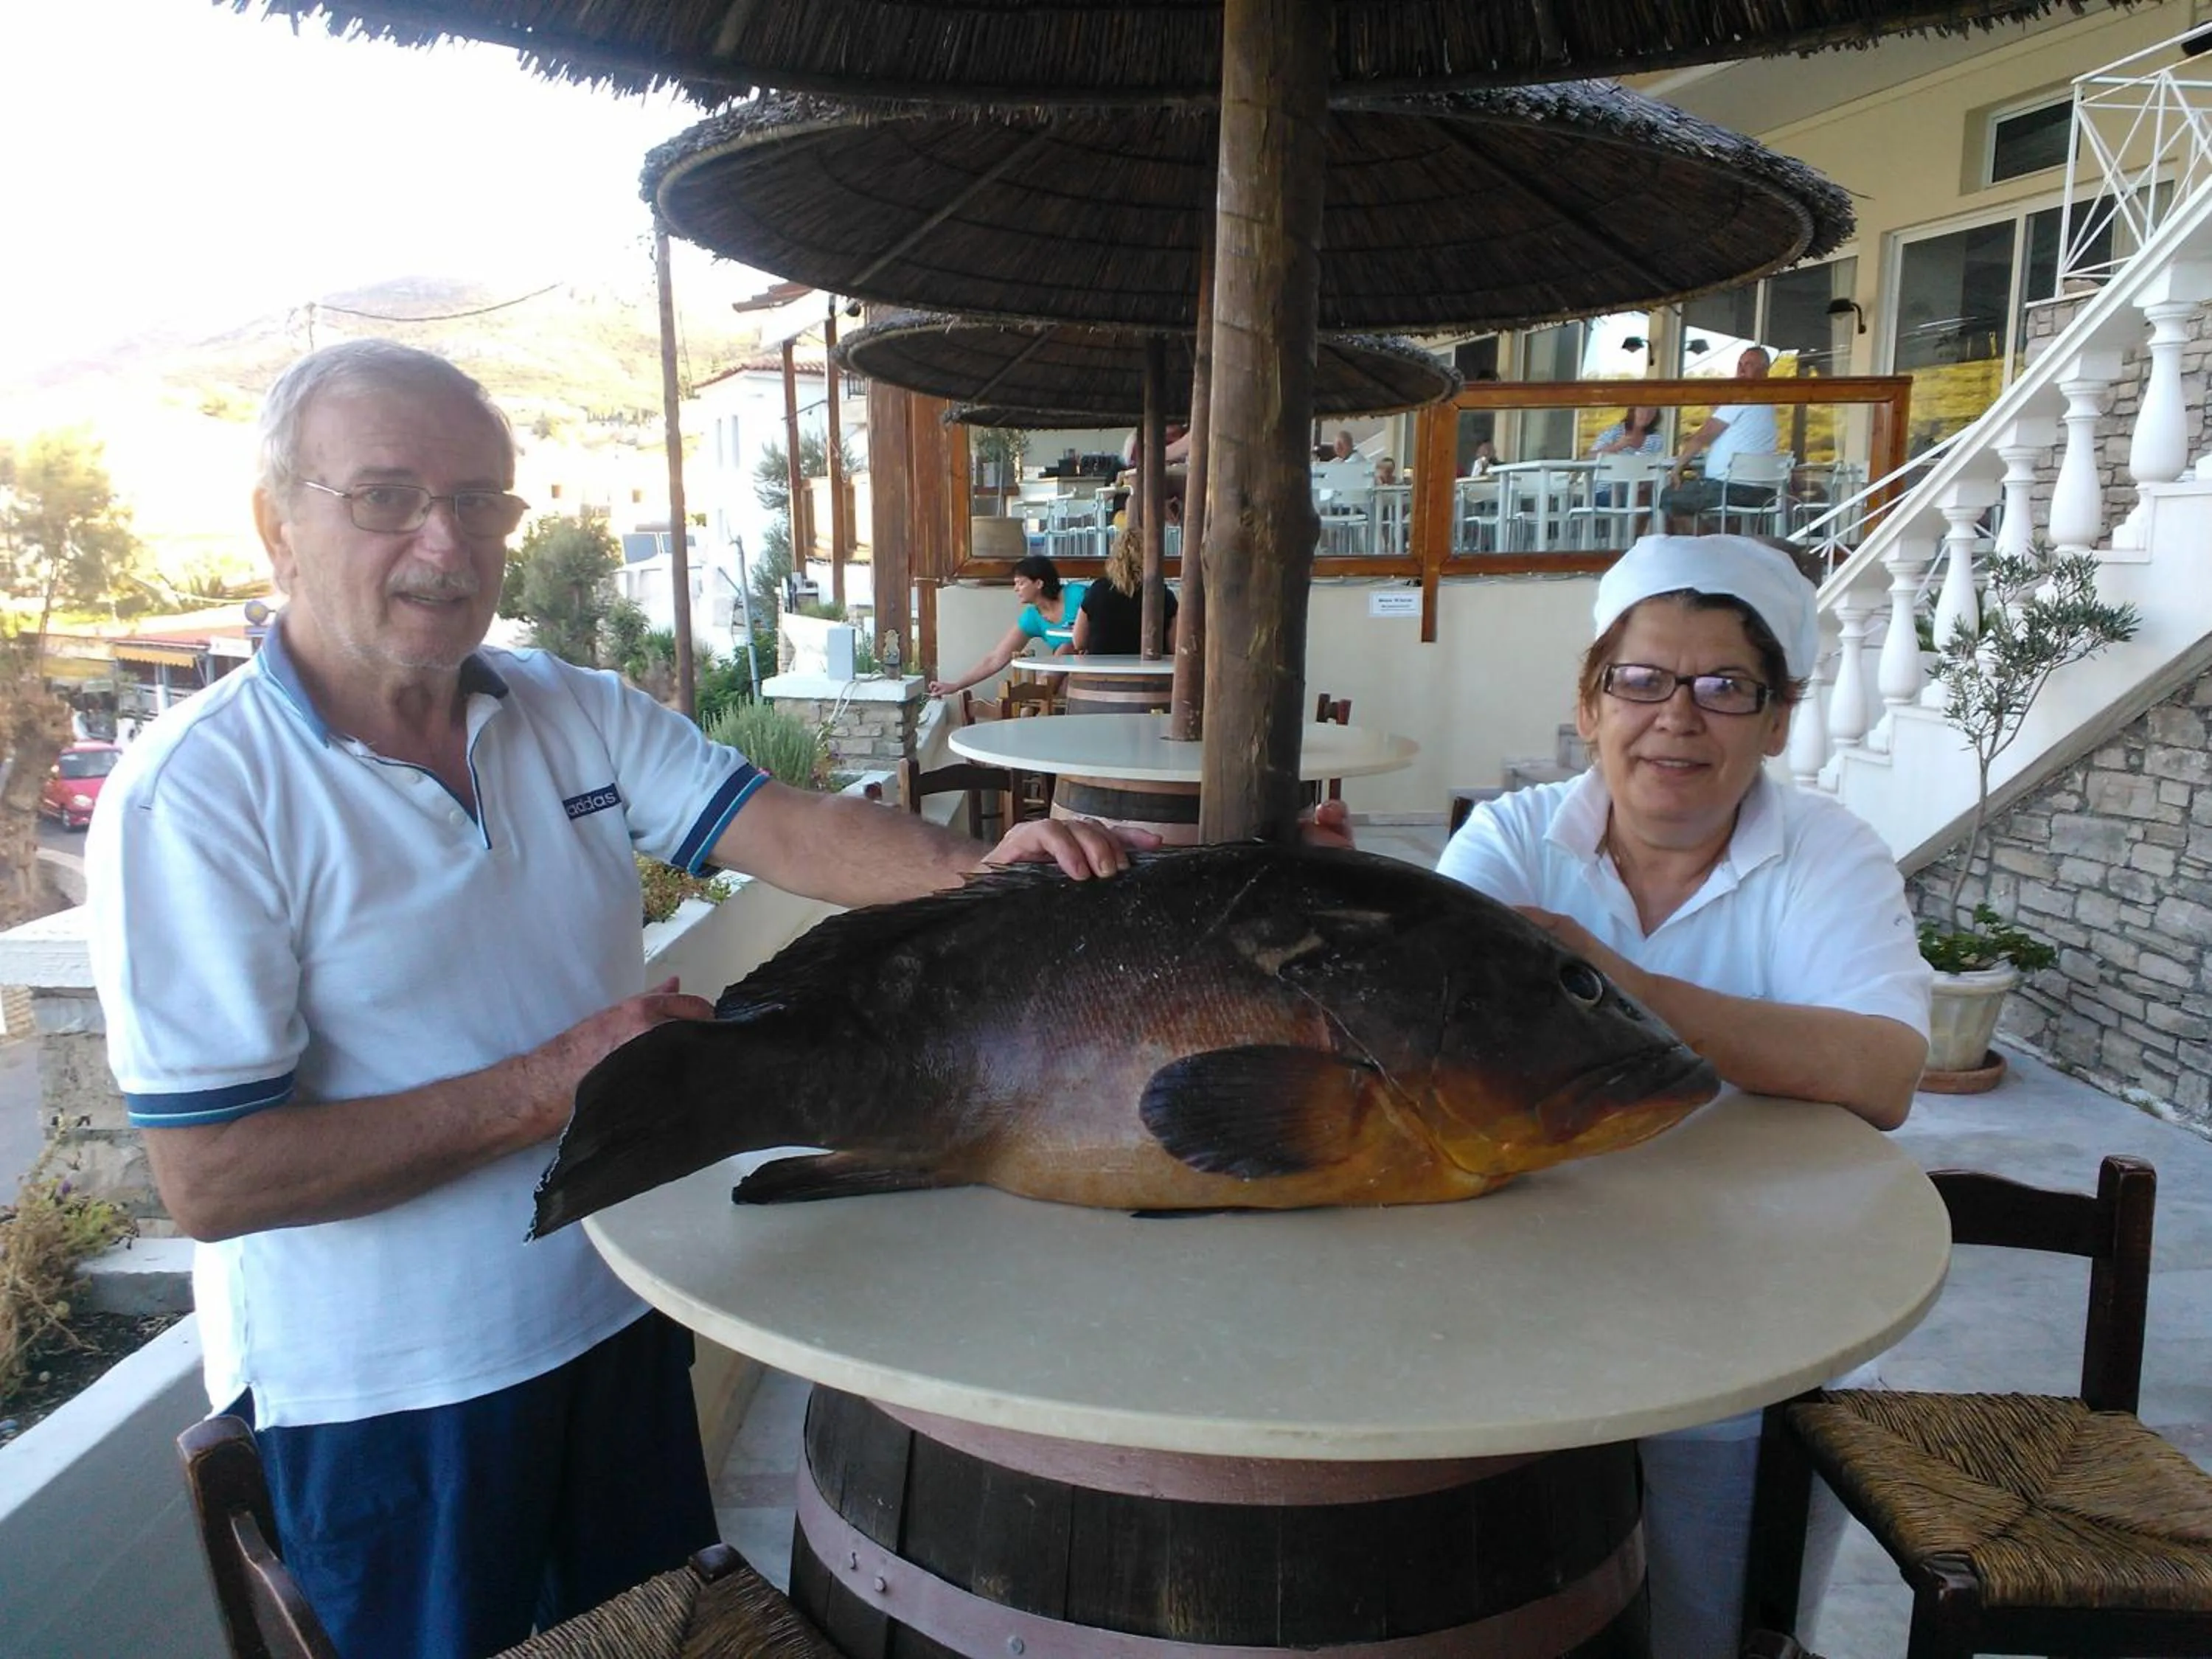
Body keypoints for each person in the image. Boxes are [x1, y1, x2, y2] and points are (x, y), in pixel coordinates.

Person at [82, 340, 1146, 1659]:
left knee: (664, 1638)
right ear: (275, 525)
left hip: (617, 1311)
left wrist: (984, 872)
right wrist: (563, 1080)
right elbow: (214, 1176)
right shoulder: (199, 792)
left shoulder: (562, 708)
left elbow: (780, 822)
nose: (445, 542)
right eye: (387, 496)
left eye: (481, 501)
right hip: (389, 1398)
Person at [1436, 533, 1931, 1659]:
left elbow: (1883, 1071)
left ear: (1778, 717)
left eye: (1724, 687)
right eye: (1643, 679)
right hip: (1518, 1302)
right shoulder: (1514, 839)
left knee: (1708, 1632)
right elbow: (1434, 1028)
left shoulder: (1827, 855)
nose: (1678, 717)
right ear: (1590, 702)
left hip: (1759, 1321)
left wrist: (1610, 982)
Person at [927, 553, 1090, 697]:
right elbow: (995, 659)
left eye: (1020, 583)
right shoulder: (1032, 617)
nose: (1016, 589)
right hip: (1070, 675)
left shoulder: (1078, 595)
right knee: (1065, 679)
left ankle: (1029, 710)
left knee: (1066, 648)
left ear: (1039, 583)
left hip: (1096, 661)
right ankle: (1032, 709)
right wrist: (955, 686)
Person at [1660, 347, 1781, 532]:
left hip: (1731, 489)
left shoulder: (1743, 396)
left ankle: (1712, 544)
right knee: (1703, 500)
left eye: (1749, 365)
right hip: (1765, 492)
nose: (1741, 369)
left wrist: (1677, 468)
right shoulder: (1768, 404)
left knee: (1670, 497)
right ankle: (1722, 540)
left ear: (1764, 370)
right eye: (1740, 364)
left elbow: (1702, 437)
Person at [1074, 528, 1179, 656]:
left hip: (1102, 666)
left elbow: (1079, 642)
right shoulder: (1162, 594)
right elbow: (1175, 645)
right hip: (1149, 667)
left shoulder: (1097, 591)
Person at [1589, 405, 1666, 457]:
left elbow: (1657, 466)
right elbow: (1591, 456)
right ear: (1633, 411)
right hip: (1613, 477)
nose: (1646, 415)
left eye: (1651, 412)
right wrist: (1616, 447)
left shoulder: (1655, 439)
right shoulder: (1615, 431)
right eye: (1642, 410)